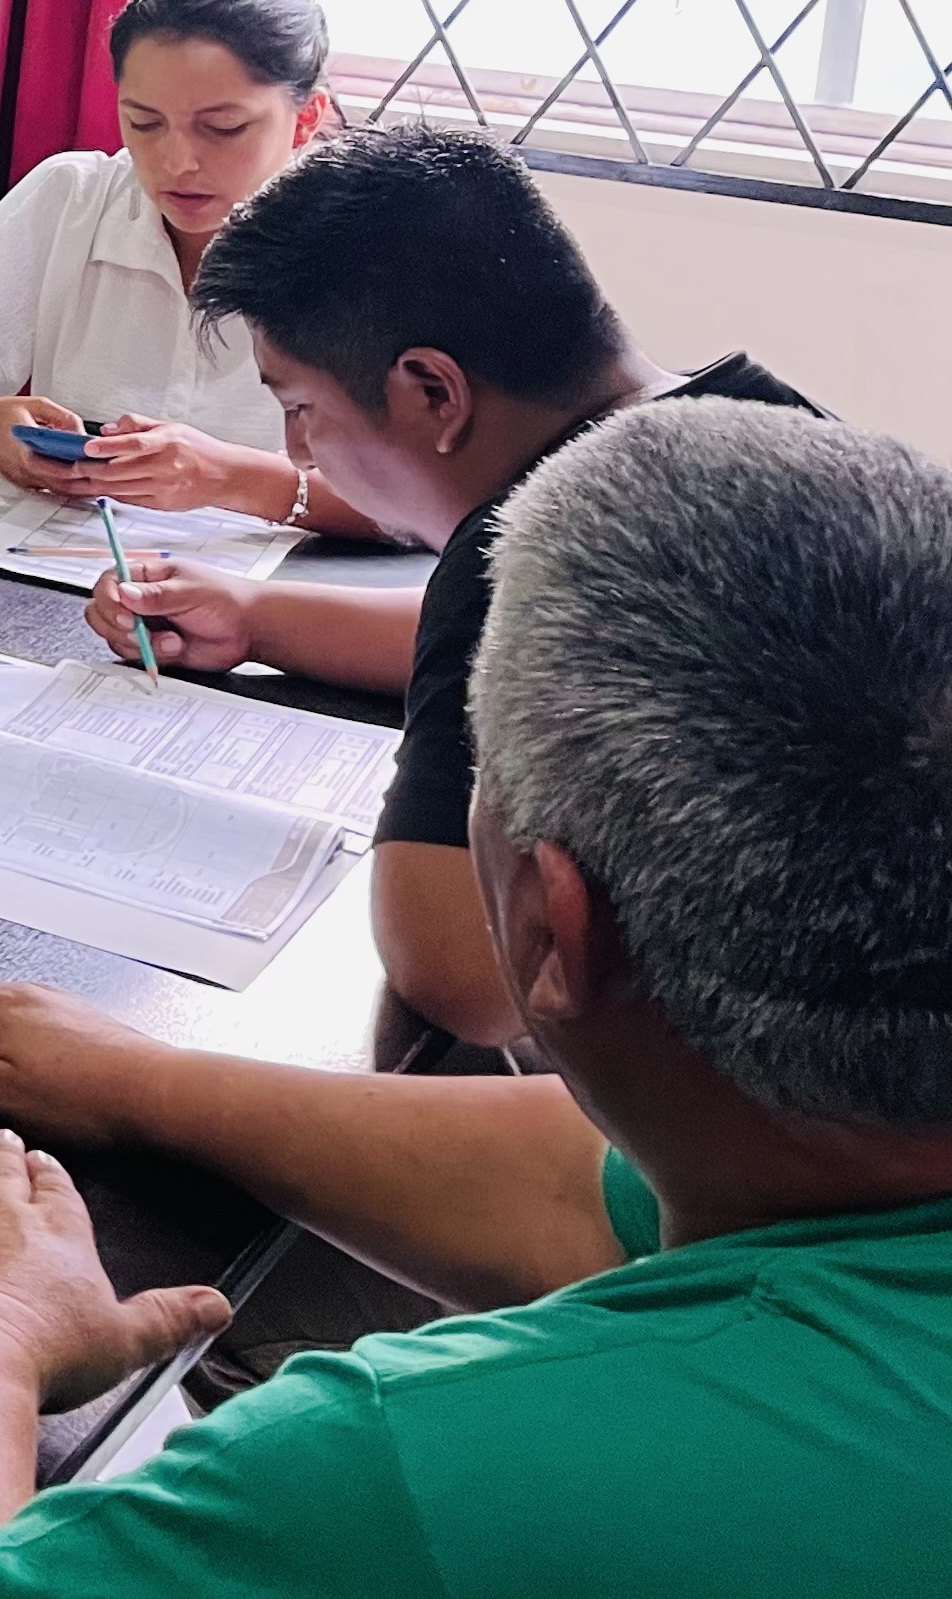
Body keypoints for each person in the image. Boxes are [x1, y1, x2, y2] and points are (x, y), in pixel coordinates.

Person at [0, 400, 952, 1599]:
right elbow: (583, 1179)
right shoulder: (818, 1153)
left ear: (548, 924)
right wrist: (139, 1083)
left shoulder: (422, 1472)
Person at [94, 125, 813, 1043]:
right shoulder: (768, 426)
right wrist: (256, 618)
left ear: (434, 392)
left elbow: (463, 976)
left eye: (301, 408)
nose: (297, 452)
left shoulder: (532, 543)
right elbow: (556, 659)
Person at [0, 0, 368, 533]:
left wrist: (234, 479)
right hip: (60, 562)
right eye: (145, 123)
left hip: (274, 581)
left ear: (306, 118)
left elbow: (436, 504)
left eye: (222, 128)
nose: (177, 162)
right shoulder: (76, 198)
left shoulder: (364, 244)